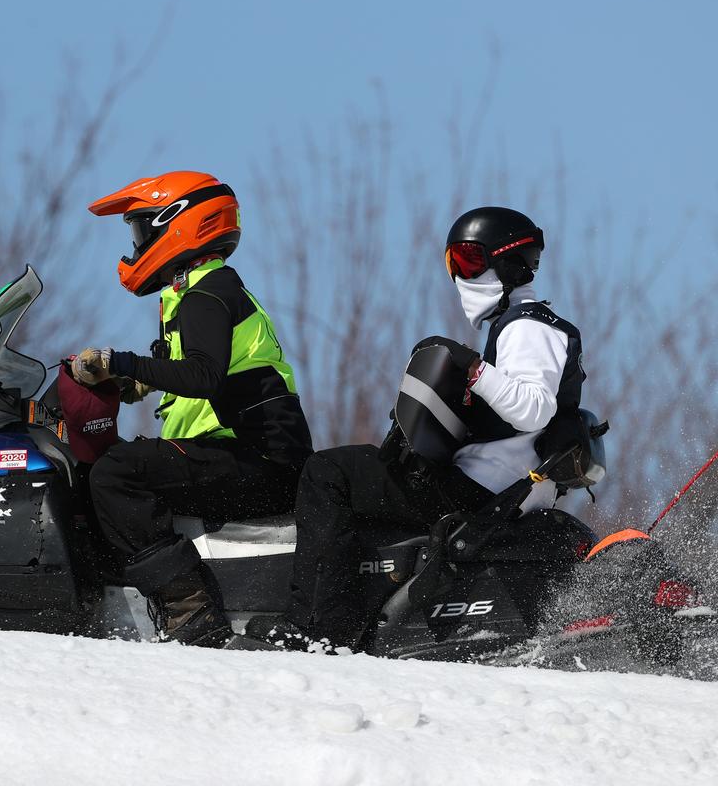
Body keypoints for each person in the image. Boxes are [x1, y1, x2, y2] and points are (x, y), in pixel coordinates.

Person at [246, 206, 586, 651]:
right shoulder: (517, 324)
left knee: (329, 471)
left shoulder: (528, 326)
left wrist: (473, 370)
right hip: (493, 486)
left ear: (508, 261)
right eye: (454, 265)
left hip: (481, 490)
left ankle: (318, 628)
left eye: (468, 260)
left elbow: (533, 409)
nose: (460, 275)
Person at [72, 171, 313, 648]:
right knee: (117, 466)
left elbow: (204, 376)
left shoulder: (206, 293)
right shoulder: (204, 291)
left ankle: (191, 611)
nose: (137, 245)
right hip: (248, 456)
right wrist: (133, 381)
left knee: (117, 473)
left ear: (178, 224)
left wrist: (116, 360)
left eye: (142, 230)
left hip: (259, 461)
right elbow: (194, 374)